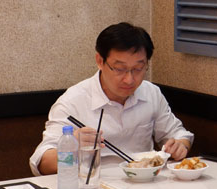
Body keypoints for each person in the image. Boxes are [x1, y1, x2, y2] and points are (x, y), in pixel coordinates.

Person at [29, 22, 193, 175]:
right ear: (100, 61)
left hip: (144, 187)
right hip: (92, 188)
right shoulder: (72, 102)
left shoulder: (151, 93)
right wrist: (71, 146)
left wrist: (180, 145)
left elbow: (179, 135)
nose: (129, 79)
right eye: (120, 69)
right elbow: (42, 162)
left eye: (138, 69)